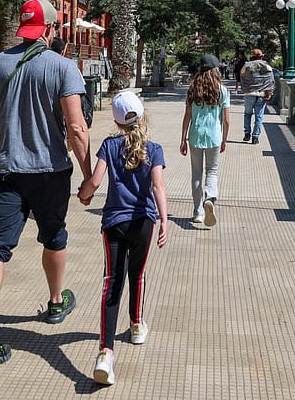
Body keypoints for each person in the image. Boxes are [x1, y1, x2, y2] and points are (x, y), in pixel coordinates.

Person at [0, 0, 91, 372]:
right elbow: (77, 128)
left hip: (5, 170)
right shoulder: (63, 67)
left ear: (22, 29)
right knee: (54, 236)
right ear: (51, 30)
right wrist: (89, 177)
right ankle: (56, 302)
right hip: (50, 171)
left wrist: (3, 136)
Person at [77, 90, 168, 386]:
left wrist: (84, 195)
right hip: (144, 222)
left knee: (111, 282)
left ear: (117, 121)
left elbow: (96, 181)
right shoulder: (153, 149)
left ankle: (105, 353)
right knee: (137, 276)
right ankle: (137, 324)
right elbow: (157, 187)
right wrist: (164, 219)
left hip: (114, 223)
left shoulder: (109, 145)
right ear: (142, 115)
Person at [180, 54, 229, 227]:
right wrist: (225, 139)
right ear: (216, 70)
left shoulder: (193, 89)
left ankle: (198, 213)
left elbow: (187, 115)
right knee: (212, 171)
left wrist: (183, 139)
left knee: (196, 174)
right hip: (214, 136)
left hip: (195, 135)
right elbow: (226, 120)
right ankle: (210, 198)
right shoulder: (222, 90)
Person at [240, 49, 275, 146]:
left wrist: (245, 88)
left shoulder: (247, 65)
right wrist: (269, 93)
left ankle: (247, 133)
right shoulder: (266, 66)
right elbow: (270, 80)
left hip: (249, 94)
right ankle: (255, 137)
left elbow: (241, 76)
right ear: (261, 56)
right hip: (261, 94)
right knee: (259, 117)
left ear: (252, 56)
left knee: (247, 114)